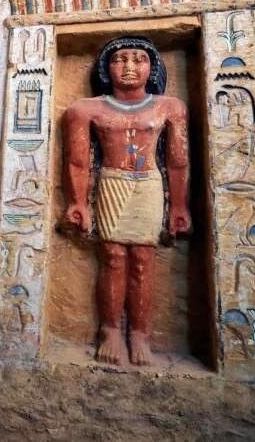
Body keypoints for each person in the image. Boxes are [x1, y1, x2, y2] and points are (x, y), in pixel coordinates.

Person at [61, 36, 191, 366]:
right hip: (112, 182)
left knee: (144, 259)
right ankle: (110, 330)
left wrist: (179, 206)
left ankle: (140, 334)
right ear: (106, 68)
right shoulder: (85, 110)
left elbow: (177, 162)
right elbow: (77, 161)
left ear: (152, 67)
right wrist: (78, 202)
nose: (129, 66)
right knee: (114, 258)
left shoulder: (170, 107)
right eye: (120, 59)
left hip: (148, 184)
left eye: (138, 59)